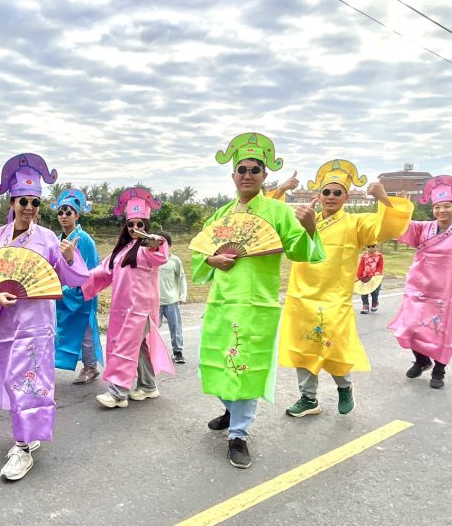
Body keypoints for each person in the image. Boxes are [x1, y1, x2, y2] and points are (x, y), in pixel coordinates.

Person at [193, 133, 325, 469]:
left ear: (265, 176)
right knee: (216, 362)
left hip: (256, 305)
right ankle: (229, 408)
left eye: (255, 169)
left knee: (247, 369)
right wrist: (213, 261)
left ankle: (239, 434)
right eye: (242, 169)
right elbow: (201, 252)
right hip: (221, 302)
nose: (248, 174)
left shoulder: (279, 213)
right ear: (233, 175)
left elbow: (301, 251)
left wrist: (310, 230)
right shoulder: (219, 216)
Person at [0, 153, 88, 481]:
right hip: (6, 324)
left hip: (37, 326)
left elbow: (73, 278)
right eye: (24, 200)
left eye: (35, 202)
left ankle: (21, 447)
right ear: (12, 200)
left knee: (30, 383)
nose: (29, 207)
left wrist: (67, 257)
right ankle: (26, 434)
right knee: (13, 384)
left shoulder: (49, 239)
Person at [278, 160, 412, 418]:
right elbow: (284, 238)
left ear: (346, 197)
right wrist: (287, 196)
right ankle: (308, 399)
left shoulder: (356, 223)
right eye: (326, 192)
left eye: (337, 192)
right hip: (301, 295)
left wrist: (385, 199)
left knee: (334, 345)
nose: (331, 197)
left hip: (334, 297)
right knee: (303, 348)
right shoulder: (306, 217)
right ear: (318, 195)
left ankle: (344, 387)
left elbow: (387, 229)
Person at [83, 187, 175, 408]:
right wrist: (75, 277)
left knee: (125, 347)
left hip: (140, 309)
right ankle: (148, 386)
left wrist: (155, 241)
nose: (135, 228)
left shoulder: (148, 248)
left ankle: (118, 393)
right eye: (131, 224)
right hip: (121, 309)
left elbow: (161, 252)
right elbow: (100, 272)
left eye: (140, 224)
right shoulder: (122, 250)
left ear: (147, 225)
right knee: (139, 347)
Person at [389, 176, 452, 389]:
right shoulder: (423, 228)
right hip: (419, 290)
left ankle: (439, 369)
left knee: (443, 334)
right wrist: (400, 205)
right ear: (432, 209)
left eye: (447, 206)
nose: (442, 211)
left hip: (447, 294)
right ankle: (422, 360)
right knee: (409, 328)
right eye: (437, 207)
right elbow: (399, 226)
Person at [50, 188, 102, 384]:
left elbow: (92, 269)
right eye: (60, 212)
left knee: (85, 330)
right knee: (65, 330)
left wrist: (78, 290)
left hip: (82, 293)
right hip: (62, 294)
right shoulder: (57, 239)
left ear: (77, 215)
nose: (63, 216)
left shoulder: (85, 239)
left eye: (68, 212)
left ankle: (91, 367)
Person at [157, 232, 187, 364]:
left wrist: (183, 294)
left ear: (169, 245)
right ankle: (153, 354)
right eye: (158, 243)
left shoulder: (175, 260)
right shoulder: (150, 260)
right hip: (154, 302)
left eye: (164, 244)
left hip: (171, 301)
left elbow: (182, 277)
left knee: (175, 327)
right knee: (152, 330)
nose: (162, 246)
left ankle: (178, 352)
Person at [357, 244, 384, 314]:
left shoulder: (379, 256)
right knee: (364, 292)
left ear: (377, 247)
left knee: (375, 292)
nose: (370, 248)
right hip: (365, 276)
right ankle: (365, 305)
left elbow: (380, 266)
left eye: (373, 246)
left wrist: (378, 272)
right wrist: (358, 275)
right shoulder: (364, 256)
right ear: (366, 247)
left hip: (375, 277)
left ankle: (375, 302)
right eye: (368, 246)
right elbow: (361, 266)